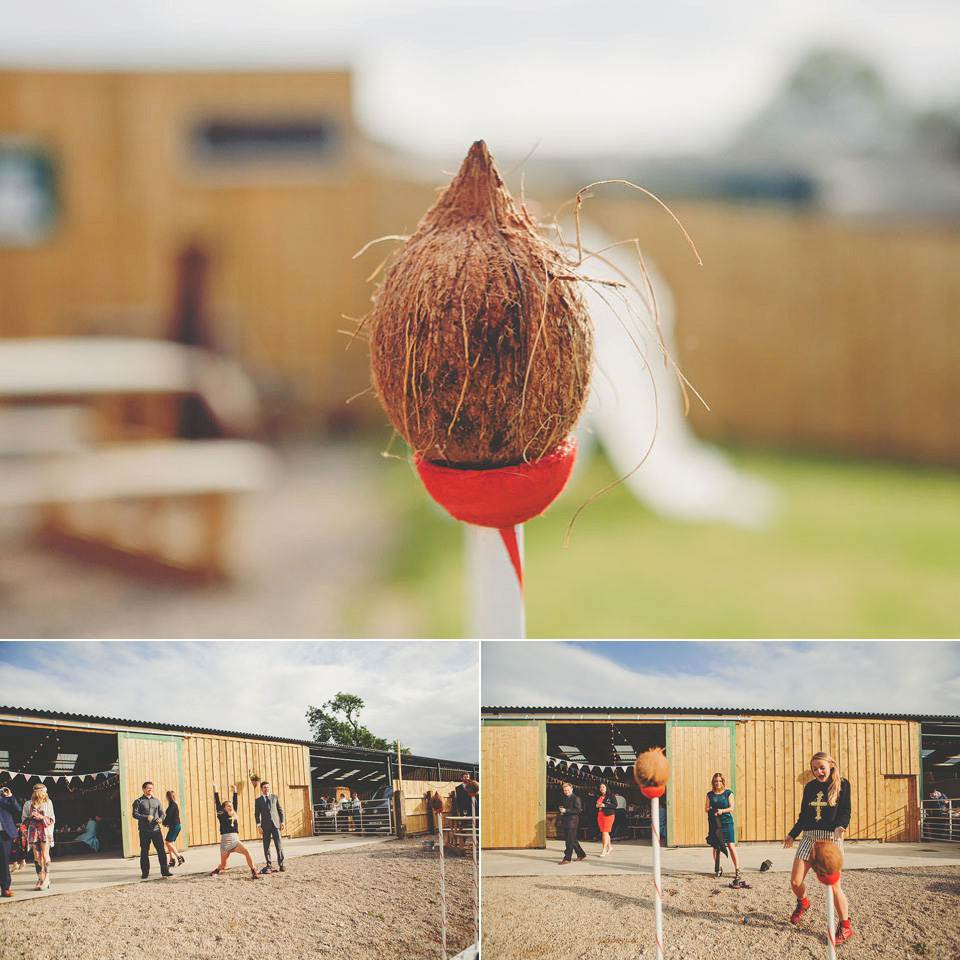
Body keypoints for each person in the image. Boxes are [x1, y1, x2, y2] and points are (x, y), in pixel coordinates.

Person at [783, 752, 852, 945]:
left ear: (831, 766)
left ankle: (845, 925)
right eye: (814, 769)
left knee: (833, 887)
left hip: (831, 838)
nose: (818, 771)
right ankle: (803, 903)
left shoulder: (843, 784)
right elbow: (804, 814)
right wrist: (792, 834)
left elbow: (845, 811)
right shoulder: (810, 787)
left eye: (821, 767)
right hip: (809, 837)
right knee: (795, 882)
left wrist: (840, 827)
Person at [209, 783, 260, 880]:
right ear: (224, 808)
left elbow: (235, 802)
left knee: (246, 851)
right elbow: (217, 802)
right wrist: (215, 789)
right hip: (225, 841)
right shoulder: (221, 814)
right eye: (228, 806)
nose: (230, 807)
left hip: (235, 840)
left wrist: (235, 790)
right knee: (224, 866)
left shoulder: (234, 813)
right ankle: (216, 870)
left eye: (231, 805)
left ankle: (254, 871)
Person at [705, 773, 743, 884]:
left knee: (731, 847)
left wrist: (722, 811)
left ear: (723, 782)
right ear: (713, 782)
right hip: (715, 823)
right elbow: (706, 809)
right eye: (716, 781)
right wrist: (714, 811)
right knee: (716, 848)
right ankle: (718, 869)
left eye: (720, 781)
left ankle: (737, 870)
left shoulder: (728, 793)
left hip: (727, 822)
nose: (718, 783)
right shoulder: (709, 795)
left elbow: (731, 807)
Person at [132, 781, 172, 880]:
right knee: (144, 852)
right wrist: (145, 817)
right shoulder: (138, 801)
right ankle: (145, 872)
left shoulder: (157, 801)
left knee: (161, 851)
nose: (150, 790)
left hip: (156, 830)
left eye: (152, 789)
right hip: (144, 830)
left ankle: (165, 871)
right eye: (149, 788)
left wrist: (161, 819)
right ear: (144, 789)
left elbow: (162, 813)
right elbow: (135, 814)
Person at [24, 783, 56, 890]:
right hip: (33, 832)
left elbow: (52, 818)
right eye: (43, 791)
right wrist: (31, 816)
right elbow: (23, 820)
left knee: (45, 855)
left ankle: (47, 879)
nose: (45, 793)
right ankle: (40, 878)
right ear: (37, 792)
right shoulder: (28, 804)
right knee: (36, 856)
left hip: (44, 831)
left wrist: (41, 817)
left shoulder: (48, 803)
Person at [255, 780, 285, 874]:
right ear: (261, 789)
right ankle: (269, 864)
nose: (266, 789)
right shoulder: (258, 800)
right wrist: (259, 826)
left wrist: (282, 822)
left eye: (267, 787)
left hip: (275, 824)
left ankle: (281, 864)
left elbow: (280, 810)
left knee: (279, 845)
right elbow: (256, 814)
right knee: (266, 846)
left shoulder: (275, 797)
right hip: (265, 826)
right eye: (264, 787)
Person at [0, 784, 22, 898]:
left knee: (4, 861)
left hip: (4, 833)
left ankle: (5, 888)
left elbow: (17, 809)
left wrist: (10, 796)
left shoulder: (5, 797)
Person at [558, 782, 586, 864]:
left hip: (572, 822)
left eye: (568, 790)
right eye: (565, 790)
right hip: (566, 821)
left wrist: (566, 810)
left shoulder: (576, 798)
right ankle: (581, 854)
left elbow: (578, 810)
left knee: (569, 841)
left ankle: (567, 858)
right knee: (572, 839)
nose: (567, 792)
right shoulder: (564, 798)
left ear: (572, 789)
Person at [164, 791, 184, 867]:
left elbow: (169, 815)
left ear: (167, 797)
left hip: (174, 826)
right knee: (169, 843)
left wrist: (164, 822)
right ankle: (171, 860)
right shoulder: (173, 804)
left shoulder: (172, 805)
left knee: (167, 843)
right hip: (176, 825)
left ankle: (179, 857)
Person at [596, 783, 616, 857]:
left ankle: (603, 849)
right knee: (605, 832)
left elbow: (615, 805)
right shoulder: (599, 796)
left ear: (606, 788)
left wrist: (605, 805)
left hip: (608, 815)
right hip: (600, 814)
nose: (602, 789)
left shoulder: (611, 795)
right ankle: (610, 847)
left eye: (603, 787)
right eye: (600, 787)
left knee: (605, 832)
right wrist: (597, 805)